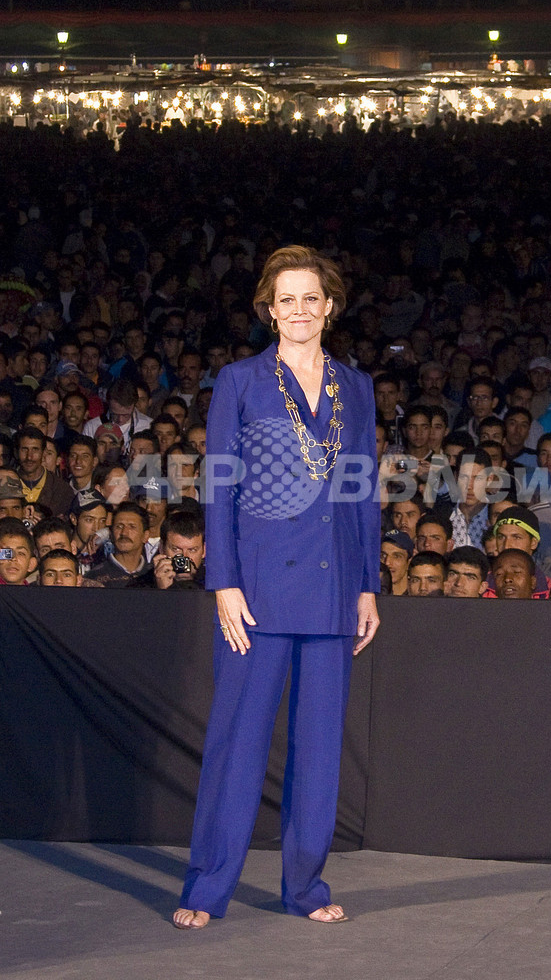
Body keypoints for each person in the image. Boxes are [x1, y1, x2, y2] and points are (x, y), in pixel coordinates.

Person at [174, 245, 379, 931]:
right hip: (256, 592)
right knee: (237, 745)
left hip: (332, 585)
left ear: (329, 306)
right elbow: (219, 485)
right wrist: (224, 583)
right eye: (285, 300)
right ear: (269, 310)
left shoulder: (357, 387)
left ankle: (306, 888)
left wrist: (367, 586)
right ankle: (207, 887)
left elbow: (362, 490)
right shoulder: (240, 381)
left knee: (319, 753)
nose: (298, 310)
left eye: (309, 298)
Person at [380, 528, 414, 595]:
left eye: (397, 556)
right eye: (382, 556)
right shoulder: (369, 597)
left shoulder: (419, 596)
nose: (387, 562)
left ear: (409, 562)